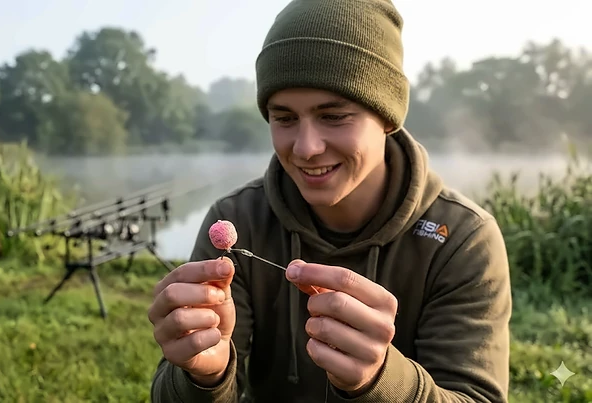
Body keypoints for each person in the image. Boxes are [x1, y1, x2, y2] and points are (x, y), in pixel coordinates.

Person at [146, 0, 512, 402]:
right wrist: (203, 375)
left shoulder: (462, 238)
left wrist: (381, 380)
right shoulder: (236, 221)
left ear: (388, 117)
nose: (305, 148)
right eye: (284, 118)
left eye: (334, 116)